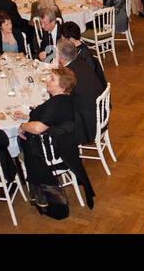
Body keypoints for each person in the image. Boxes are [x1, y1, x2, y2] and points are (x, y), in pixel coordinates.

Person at [18, 66, 96, 209]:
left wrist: (23, 125)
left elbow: (37, 128)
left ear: (61, 87)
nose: (47, 81)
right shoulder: (64, 99)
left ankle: (36, 186)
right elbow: (48, 116)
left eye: (52, 79)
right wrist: (26, 116)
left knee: (22, 142)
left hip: (52, 152)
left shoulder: (57, 104)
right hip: (65, 147)